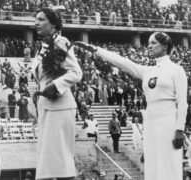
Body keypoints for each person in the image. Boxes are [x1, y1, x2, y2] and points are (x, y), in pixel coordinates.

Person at [76, 32, 188, 180]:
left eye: (154, 43)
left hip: (168, 120)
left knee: (168, 162)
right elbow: (122, 62)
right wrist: (95, 49)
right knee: (152, 162)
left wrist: (179, 129)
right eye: (149, 42)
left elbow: (182, 102)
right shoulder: (148, 71)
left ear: (165, 46)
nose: (149, 46)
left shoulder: (176, 70)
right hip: (150, 120)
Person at [33, 8, 82, 180]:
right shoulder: (44, 46)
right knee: (49, 163)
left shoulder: (60, 41)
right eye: (36, 19)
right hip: (47, 107)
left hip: (59, 107)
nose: (36, 23)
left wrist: (55, 85)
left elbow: (76, 73)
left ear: (53, 24)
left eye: (41, 19)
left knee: (61, 163)